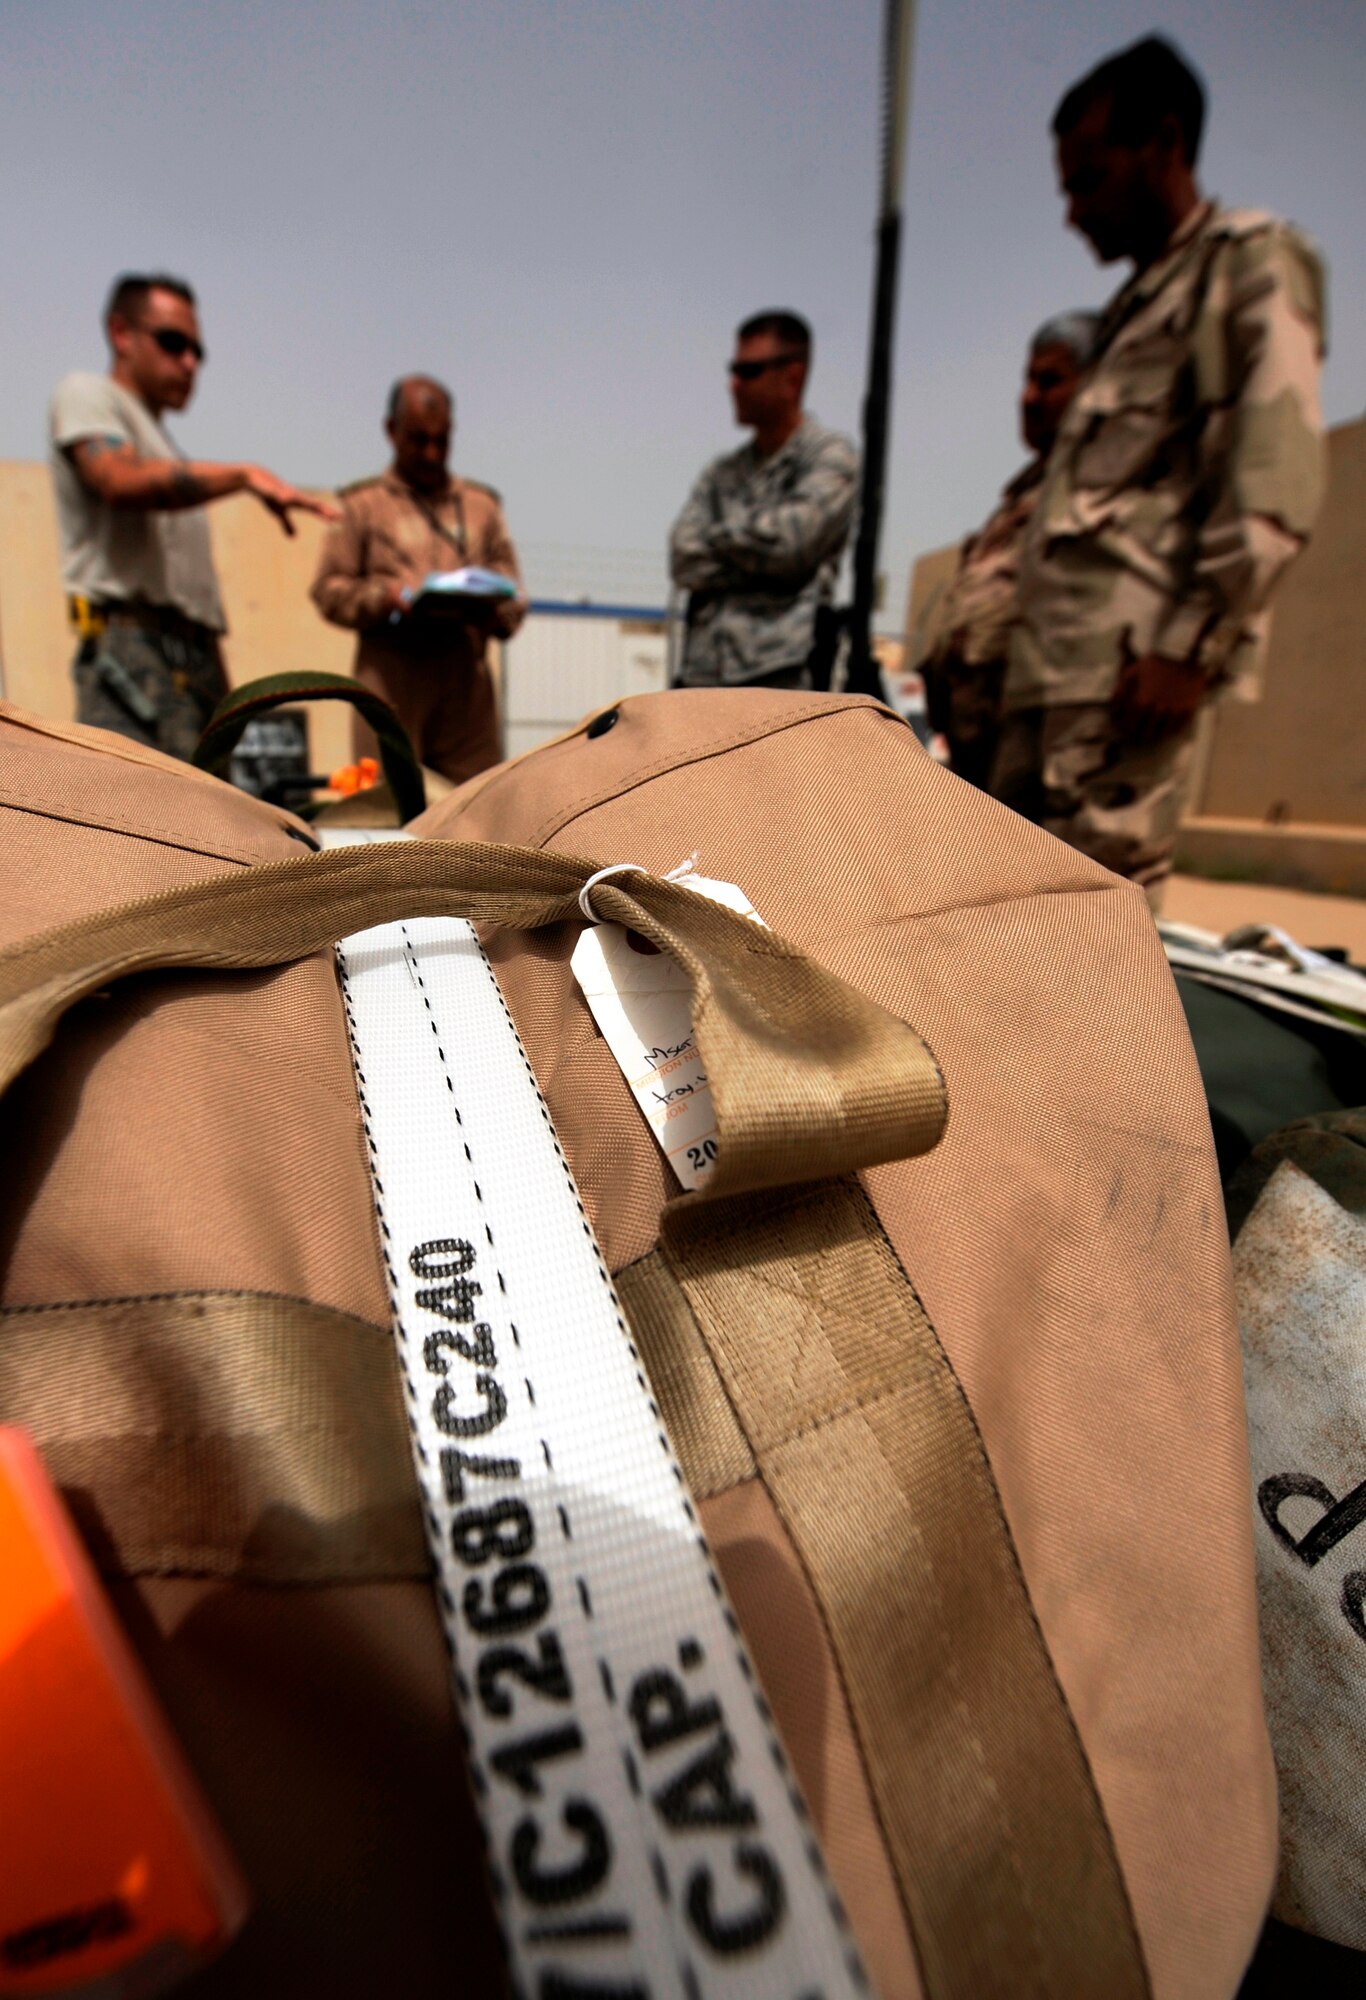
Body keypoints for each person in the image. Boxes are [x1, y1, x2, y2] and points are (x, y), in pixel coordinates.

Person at [993, 35, 1326, 904]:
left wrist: (1193, 646)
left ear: (1166, 144)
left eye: (1089, 179)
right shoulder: (1128, 316)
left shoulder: (1244, 264)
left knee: (1100, 945)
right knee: (1012, 934)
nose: (1072, 212)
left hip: (1130, 684)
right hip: (1054, 683)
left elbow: (1275, 469)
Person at [49, 272, 336, 760]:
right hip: (128, 653)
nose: (188, 363)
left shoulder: (162, 445)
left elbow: (194, 604)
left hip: (192, 663)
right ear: (122, 333)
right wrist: (244, 475)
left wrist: (224, 700)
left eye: (197, 352)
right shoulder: (88, 396)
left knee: (205, 824)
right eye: (173, 342)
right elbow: (118, 481)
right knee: (133, 820)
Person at [311, 376, 526, 786]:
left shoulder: (482, 507)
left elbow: (515, 595)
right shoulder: (362, 505)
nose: (431, 453)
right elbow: (327, 590)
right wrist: (383, 596)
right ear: (391, 431)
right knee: (389, 817)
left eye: (441, 440)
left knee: (478, 815)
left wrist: (493, 610)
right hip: (391, 682)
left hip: (465, 689)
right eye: (418, 439)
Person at [920, 311, 1099, 789]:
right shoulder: (1024, 497)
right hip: (982, 739)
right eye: (1028, 380)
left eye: (1050, 381)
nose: (1030, 398)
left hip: (1050, 743)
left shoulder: (1104, 490)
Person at [669, 311, 858, 690]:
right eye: (733, 369)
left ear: (792, 377)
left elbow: (791, 545)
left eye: (748, 370)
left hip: (783, 684)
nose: (733, 384)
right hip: (702, 681)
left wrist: (718, 543)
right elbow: (683, 555)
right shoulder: (722, 472)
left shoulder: (829, 457)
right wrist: (764, 560)